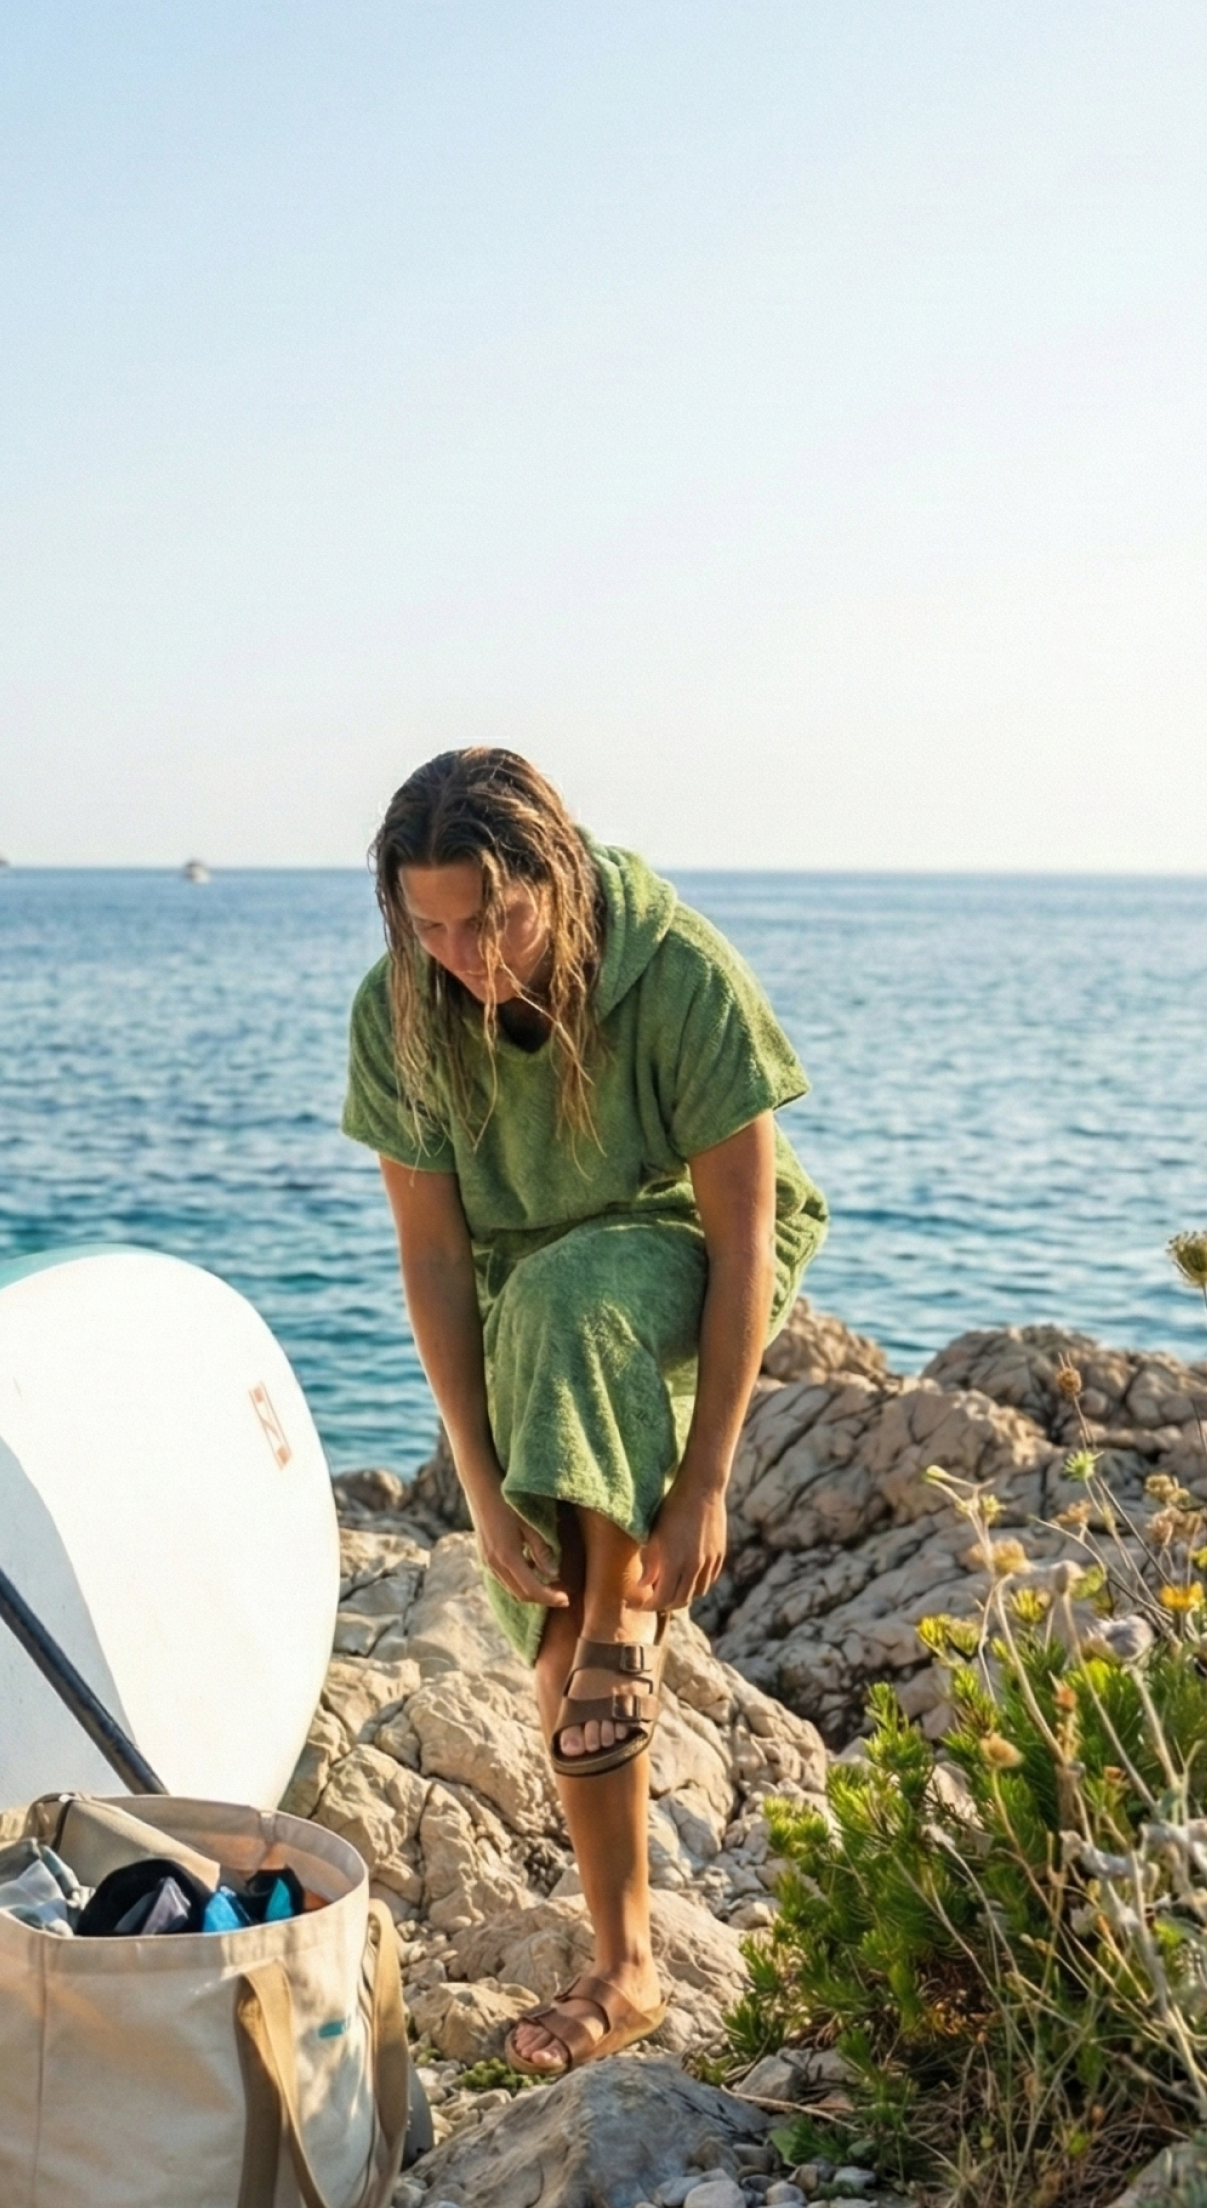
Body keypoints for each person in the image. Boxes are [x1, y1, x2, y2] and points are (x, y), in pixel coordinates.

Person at [340, 748, 827, 2076]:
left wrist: (705, 1480)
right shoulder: (402, 1011)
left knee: (573, 1307)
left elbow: (740, 1227)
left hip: (679, 1248)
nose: (467, 954)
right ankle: (625, 1968)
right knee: (558, 1646)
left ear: (552, 873)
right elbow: (434, 1257)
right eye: (431, 925)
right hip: (524, 1295)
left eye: (491, 917)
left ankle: (627, 1616)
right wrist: (481, 1481)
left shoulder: (674, 970)